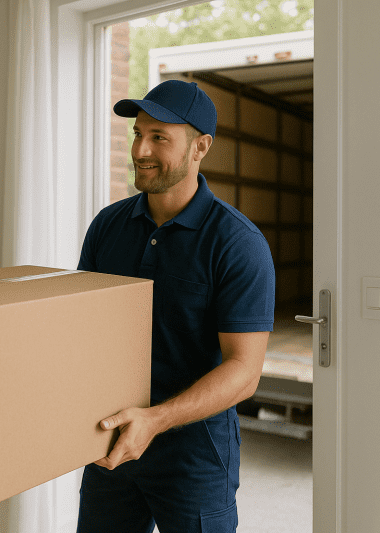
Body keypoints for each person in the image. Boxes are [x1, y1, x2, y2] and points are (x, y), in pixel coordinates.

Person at [76, 79, 275, 533]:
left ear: (200, 147)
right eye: (137, 134)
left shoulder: (237, 243)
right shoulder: (107, 226)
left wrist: (156, 420)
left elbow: (244, 371)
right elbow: (84, 331)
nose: (140, 150)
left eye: (159, 137)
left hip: (194, 457)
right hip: (111, 440)